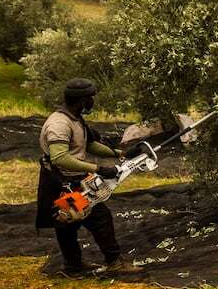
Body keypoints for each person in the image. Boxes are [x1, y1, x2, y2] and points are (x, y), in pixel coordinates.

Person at [36, 78, 140, 276]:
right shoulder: (59, 124)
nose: (93, 101)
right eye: (91, 98)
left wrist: (119, 154)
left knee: (68, 225)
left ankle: (73, 266)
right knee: (94, 219)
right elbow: (59, 158)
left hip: (73, 178)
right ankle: (113, 262)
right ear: (82, 100)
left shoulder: (75, 119)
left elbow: (88, 145)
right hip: (62, 181)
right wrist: (98, 169)